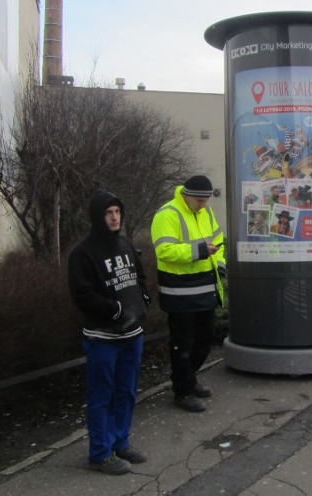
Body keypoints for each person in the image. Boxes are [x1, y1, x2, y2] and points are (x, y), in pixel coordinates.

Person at [68, 188, 150, 475]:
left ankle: (120, 442)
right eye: (108, 213)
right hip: (102, 338)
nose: (114, 217)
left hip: (132, 335)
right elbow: (83, 295)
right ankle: (100, 454)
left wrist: (143, 302)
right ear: (97, 216)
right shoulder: (83, 253)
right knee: (102, 396)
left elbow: (138, 277)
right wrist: (113, 310)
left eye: (117, 212)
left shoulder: (126, 244)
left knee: (126, 392)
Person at [151, 176, 226, 412]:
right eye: (199, 200)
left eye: (205, 201)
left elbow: (218, 241)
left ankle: (188, 379)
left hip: (204, 287)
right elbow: (164, 251)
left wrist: (220, 262)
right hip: (179, 290)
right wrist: (200, 251)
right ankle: (182, 391)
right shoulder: (167, 214)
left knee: (205, 339)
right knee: (182, 343)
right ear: (186, 195)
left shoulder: (206, 213)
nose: (203, 205)